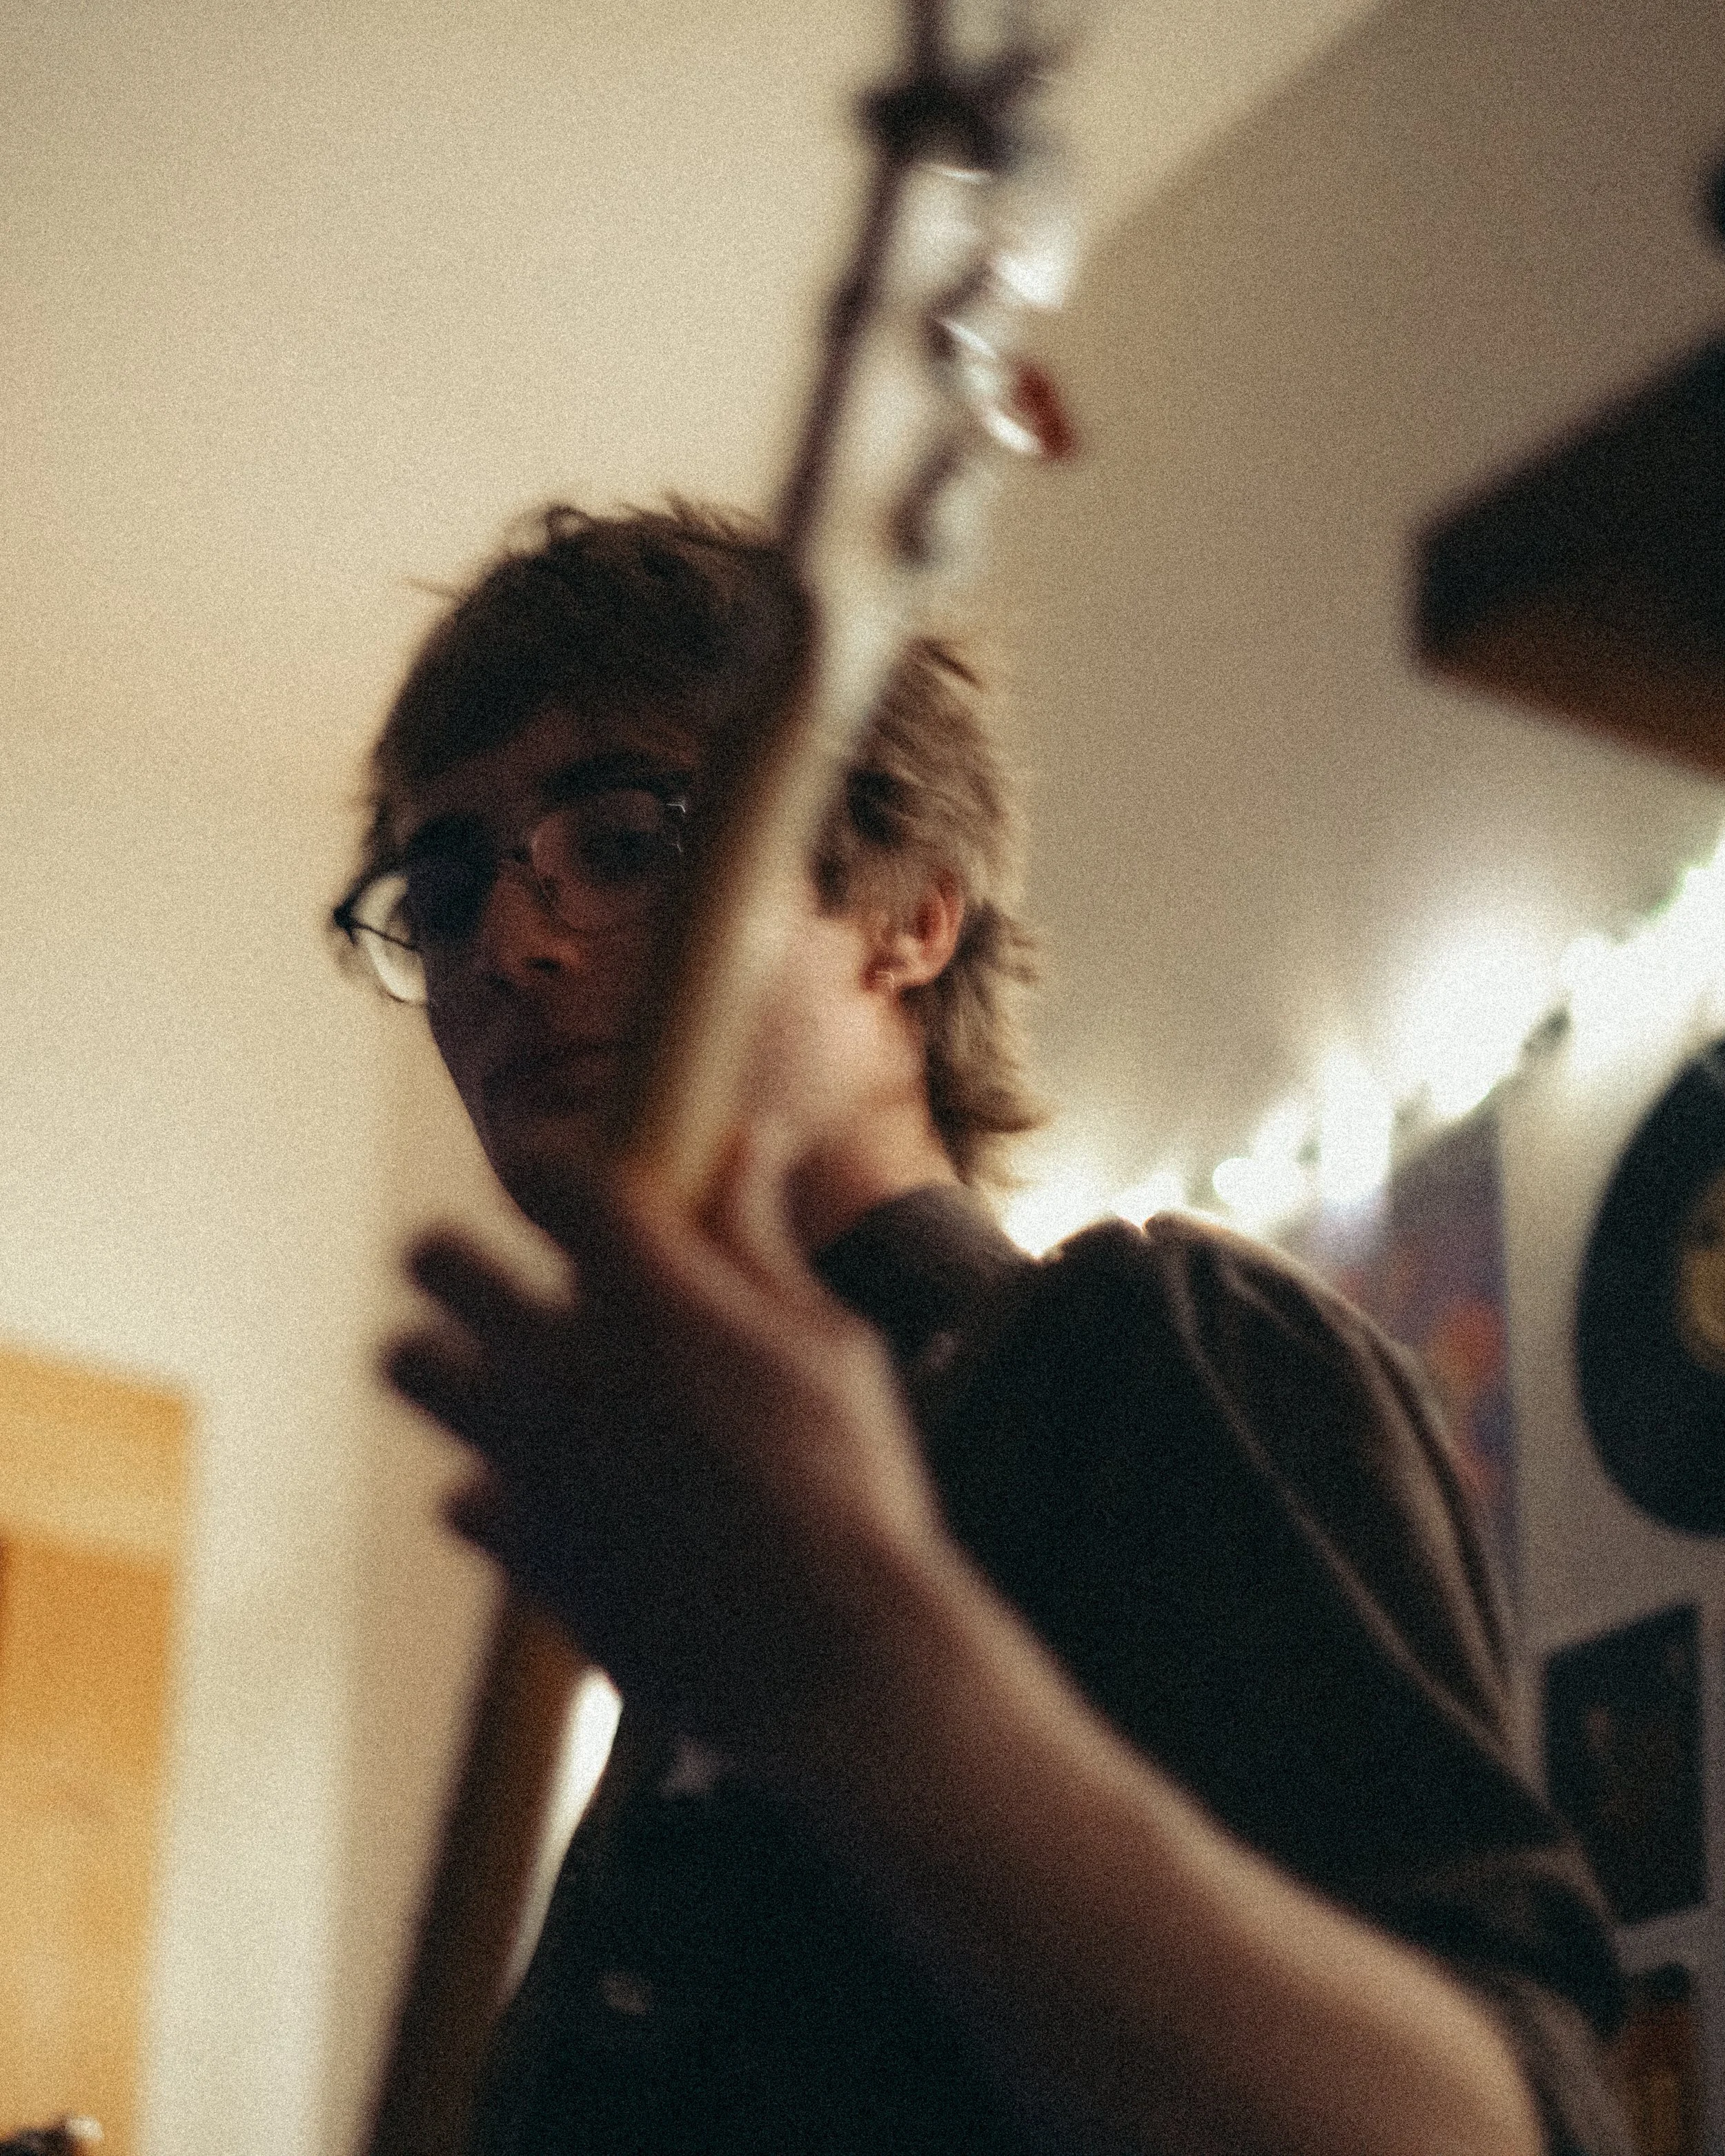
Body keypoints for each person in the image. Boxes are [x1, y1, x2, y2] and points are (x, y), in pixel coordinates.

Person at [333, 502, 1628, 2156]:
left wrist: (865, 1669)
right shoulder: (671, 1560)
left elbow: (1496, 2134)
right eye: (444, 890)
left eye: (628, 837)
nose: (510, 944)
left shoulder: (1153, 1351)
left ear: (913, 913)